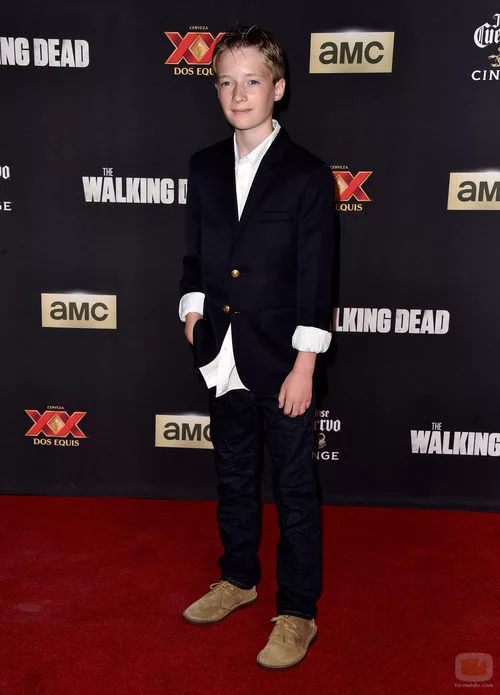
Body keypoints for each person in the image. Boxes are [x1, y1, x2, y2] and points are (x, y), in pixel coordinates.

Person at [179, 25, 335, 670]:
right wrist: (192, 316)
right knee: (234, 477)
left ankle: (297, 612)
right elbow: (194, 256)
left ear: (278, 87)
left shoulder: (308, 175)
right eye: (226, 82)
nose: (238, 94)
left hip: (284, 361)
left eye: (251, 81)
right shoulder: (203, 166)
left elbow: (316, 279)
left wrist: (305, 366)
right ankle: (238, 578)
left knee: (294, 491)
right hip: (221, 354)